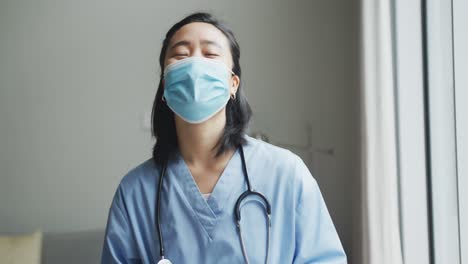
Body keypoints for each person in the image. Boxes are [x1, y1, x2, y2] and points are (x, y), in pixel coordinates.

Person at [101, 12, 347, 264]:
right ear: (165, 84)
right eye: (181, 55)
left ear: (233, 83)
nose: (195, 64)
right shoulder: (135, 192)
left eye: (210, 54)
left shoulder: (285, 173)